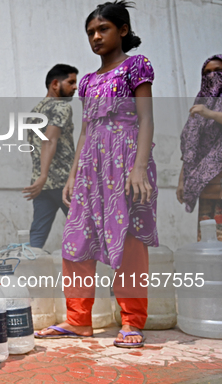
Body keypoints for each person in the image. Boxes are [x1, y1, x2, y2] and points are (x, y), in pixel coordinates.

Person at [35, 0, 158, 348]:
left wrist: (138, 169)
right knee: (76, 239)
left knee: (130, 241)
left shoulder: (137, 66)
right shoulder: (87, 81)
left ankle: (132, 321)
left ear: (122, 30)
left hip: (127, 161)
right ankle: (78, 321)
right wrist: (73, 175)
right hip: (91, 166)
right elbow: (87, 131)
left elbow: (146, 118)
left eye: (103, 29)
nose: (95, 36)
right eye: (90, 32)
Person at [23, 64, 78, 249]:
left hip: (41, 185)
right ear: (55, 84)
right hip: (64, 183)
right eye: (71, 82)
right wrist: (45, 175)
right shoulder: (62, 107)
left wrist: (41, 178)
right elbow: (49, 140)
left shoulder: (34, 112)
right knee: (85, 228)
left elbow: (35, 147)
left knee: (37, 236)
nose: (75, 87)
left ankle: (27, 274)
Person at [177, 55, 222, 241]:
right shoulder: (201, 101)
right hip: (205, 182)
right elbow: (191, 148)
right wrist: (182, 180)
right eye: (207, 72)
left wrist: (210, 114)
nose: (212, 75)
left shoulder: (205, 109)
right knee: (207, 238)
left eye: (218, 71)